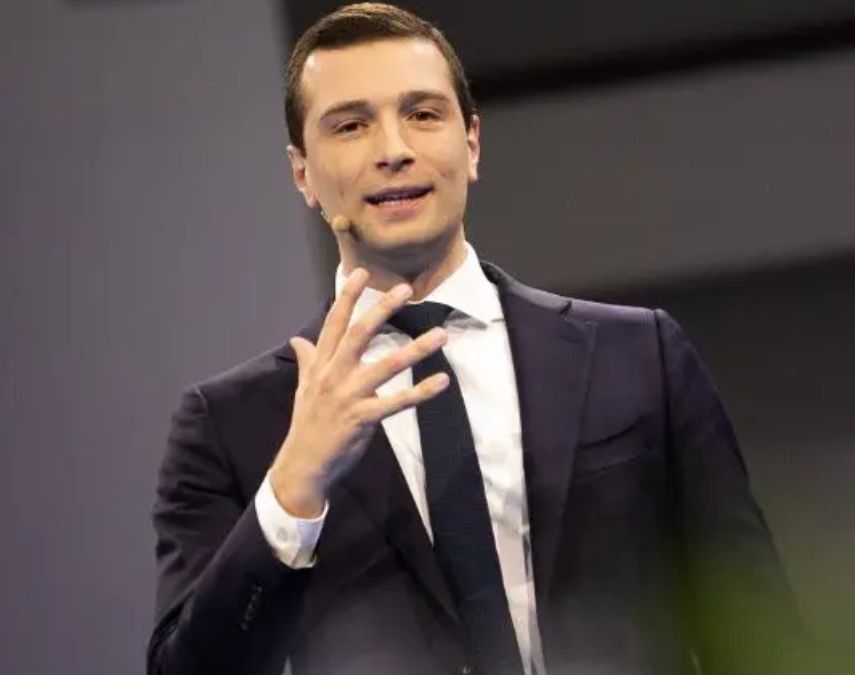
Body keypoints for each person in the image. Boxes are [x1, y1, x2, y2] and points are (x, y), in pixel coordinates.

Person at [148, 4, 802, 674]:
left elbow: (758, 631)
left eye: (424, 114)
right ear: (302, 174)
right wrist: (291, 490)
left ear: (472, 143)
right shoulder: (229, 427)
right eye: (350, 125)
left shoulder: (639, 356)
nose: (393, 149)